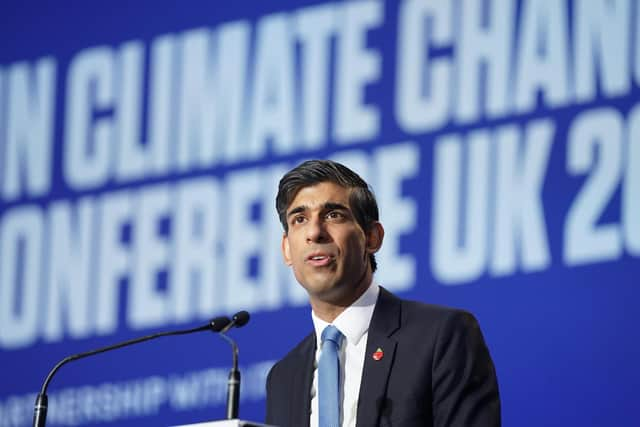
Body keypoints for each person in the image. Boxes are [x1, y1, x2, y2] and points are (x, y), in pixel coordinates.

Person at [265, 160, 500, 427]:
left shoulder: (441, 336)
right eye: (300, 219)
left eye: (333, 215)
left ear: (372, 237)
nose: (315, 232)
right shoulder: (283, 377)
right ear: (286, 249)